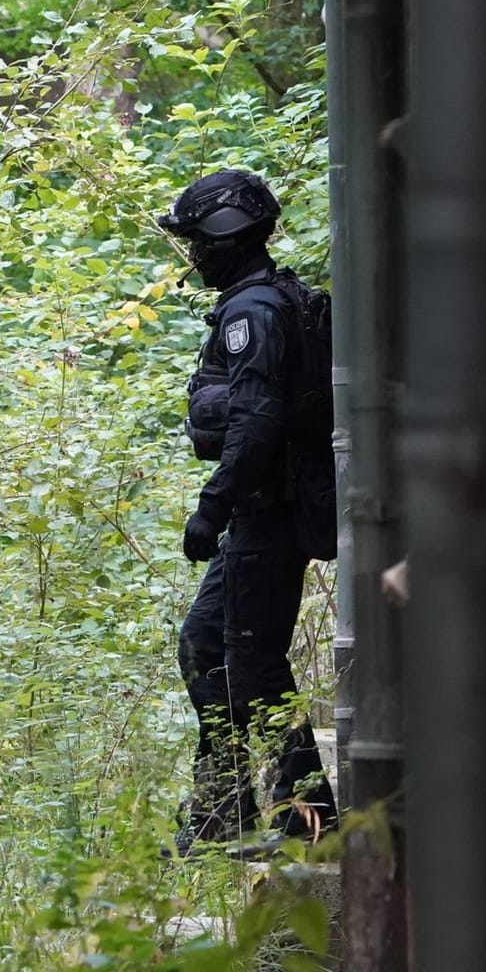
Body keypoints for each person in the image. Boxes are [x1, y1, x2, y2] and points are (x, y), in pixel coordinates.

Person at [159, 168, 338, 854]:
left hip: (266, 513)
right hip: (263, 512)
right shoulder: (259, 303)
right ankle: (221, 811)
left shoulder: (253, 313)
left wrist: (213, 506)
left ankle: (307, 818)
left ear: (229, 238)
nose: (196, 255)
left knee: (253, 662)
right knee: (208, 647)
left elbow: (257, 419)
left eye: (200, 242)